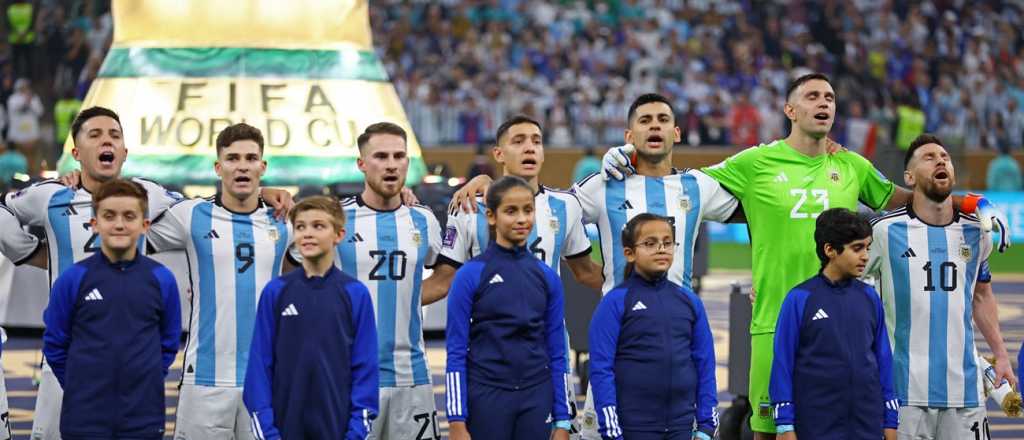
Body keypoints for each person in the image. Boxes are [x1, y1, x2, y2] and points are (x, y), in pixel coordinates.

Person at [601, 74, 1012, 438]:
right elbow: (682, 184)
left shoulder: (850, 164)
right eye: (813, 96)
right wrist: (628, 158)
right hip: (773, 317)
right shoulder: (755, 161)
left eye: (830, 98)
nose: (824, 103)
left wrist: (974, 203)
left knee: (835, 425)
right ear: (790, 110)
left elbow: (915, 201)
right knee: (767, 428)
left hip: (839, 321)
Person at [0, 106, 292, 440]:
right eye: (95, 135)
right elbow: (4, 210)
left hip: (135, 369)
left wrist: (263, 193)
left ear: (124, 151)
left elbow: (214, 207)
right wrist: (32, 253)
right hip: (70, 364)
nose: (106, 142)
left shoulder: (150, 195)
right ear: (76, 153)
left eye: (114, 135)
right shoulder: (49, 196)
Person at [429, 115, 601, 438]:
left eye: (536, 141)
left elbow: (586, 272)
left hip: (547, 366)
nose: (529, 148)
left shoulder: (566, 208)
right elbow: (442, 281)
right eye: (518, 141)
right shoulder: (469, 207)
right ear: (498, 154)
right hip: (487, 368)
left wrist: (642, 287)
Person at [145, 123, 292, 439]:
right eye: (232, 158)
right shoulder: (191, 215)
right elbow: (128, 228)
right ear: (217, 166)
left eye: (251, 158)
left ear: (263, 167)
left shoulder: (286, 220)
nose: (242, 165)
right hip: (205, 379)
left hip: (267, 378)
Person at [865, 134, 1016, 439]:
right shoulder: (883, 232)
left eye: (944, 157)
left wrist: (1000, 354)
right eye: (929, 157)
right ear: (909, 177)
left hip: (965, 393)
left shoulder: (977, 232)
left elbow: (981, 293)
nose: (940, 160)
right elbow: (847, 285)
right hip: (903, 393)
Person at [321, 122, 443, 439]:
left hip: (412, 376)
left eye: (398, 156)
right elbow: (293, 276)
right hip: (350, 375)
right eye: (380, 156)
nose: (391, 164)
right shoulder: (335, 219)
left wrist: (406, 295)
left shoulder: (423, 220)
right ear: (361, 164)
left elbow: (447, 276)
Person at [42, 178, 181, 439]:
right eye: (109, 216)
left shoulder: (162, 279)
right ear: (94, 224)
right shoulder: (73, 280)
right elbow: (55, 345)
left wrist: (145, 379)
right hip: (84, 419)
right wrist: (79, 385)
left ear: (145, 225)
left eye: (129, 216)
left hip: (144, 418)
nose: (119, 224)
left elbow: (168, 343)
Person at [445, 176, 572, 440]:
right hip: (487, 395)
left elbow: (558, 351)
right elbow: (456, 351)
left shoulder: (548, 278)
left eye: (528, 210)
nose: (522, 219)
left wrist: (563, 420)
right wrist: (456, 420)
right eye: (511, 211)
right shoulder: (470, 275)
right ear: (491, 217)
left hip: (536, 397)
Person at [244, 196, 378, 439]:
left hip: (338, 429)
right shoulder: (276, 292)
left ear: (338, 234)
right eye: (300, 227)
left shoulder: (355, 294)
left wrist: (356, 432)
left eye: (318, 226)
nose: (307, 233)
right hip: (283, 430)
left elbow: (365, 369)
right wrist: (268, 432)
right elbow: (259, 366)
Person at [770, 208, 898, 439]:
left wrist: (890, 419)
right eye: (857, 248)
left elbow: (883, 360)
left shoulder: (870, 297)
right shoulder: (799, 299)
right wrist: (784, 424)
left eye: (867, 248)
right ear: (830, 250)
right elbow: (782, 364)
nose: (865, 257)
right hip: (816, 426)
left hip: (866, 425)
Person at [589, 213, 717, 440]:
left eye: (667, 243)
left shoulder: (689, 302)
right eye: (650, 243)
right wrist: (611, 430)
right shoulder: (615, 302)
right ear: (629, 253)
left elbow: (705, 364)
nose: (661, 249)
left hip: (681, 427)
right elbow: (601, 369)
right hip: (633, 428)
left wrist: (707, 427)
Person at [6, 78, 43, 175]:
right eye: (23, 87)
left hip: (32, 137)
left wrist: (30, 100)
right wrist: (26, 100)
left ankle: (32, 177)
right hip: (18, 138)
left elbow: (40, 112)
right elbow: (15, 108)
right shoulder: (13, 99)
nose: (25, 89)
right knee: (20, 162)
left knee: (33, 162)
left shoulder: (34, 98)